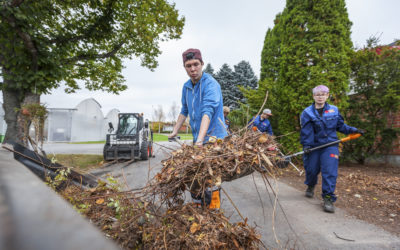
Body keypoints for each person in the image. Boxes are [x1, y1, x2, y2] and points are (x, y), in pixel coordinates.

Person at [169, 48, 227, 209]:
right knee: (193, 175)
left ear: (202, 64)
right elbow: (184, 110)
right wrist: (175, 130)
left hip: (214, 138)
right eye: (188, 65)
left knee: (210, 177)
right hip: (199, 138)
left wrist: (201, 140)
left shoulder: (211, 85)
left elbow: (207, 113)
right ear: (184, 67)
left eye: (196, 64)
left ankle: (213, 210)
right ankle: (198, 208)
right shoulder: (186, 86)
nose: (193, 69)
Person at [300, 85, 364, 213]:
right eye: (317, 94)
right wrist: (307, 145)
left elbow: (340, 126)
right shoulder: (307, 112)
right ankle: (311, 185)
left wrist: (353, 130)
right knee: (311, 169)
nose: (320, 96)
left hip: (330, 145)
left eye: (323, 94)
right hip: (314, 146)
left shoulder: (334, 110)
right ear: (313, 96)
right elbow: (306, 132)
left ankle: (328, 198)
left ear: (327, 95)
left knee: (329, 171)